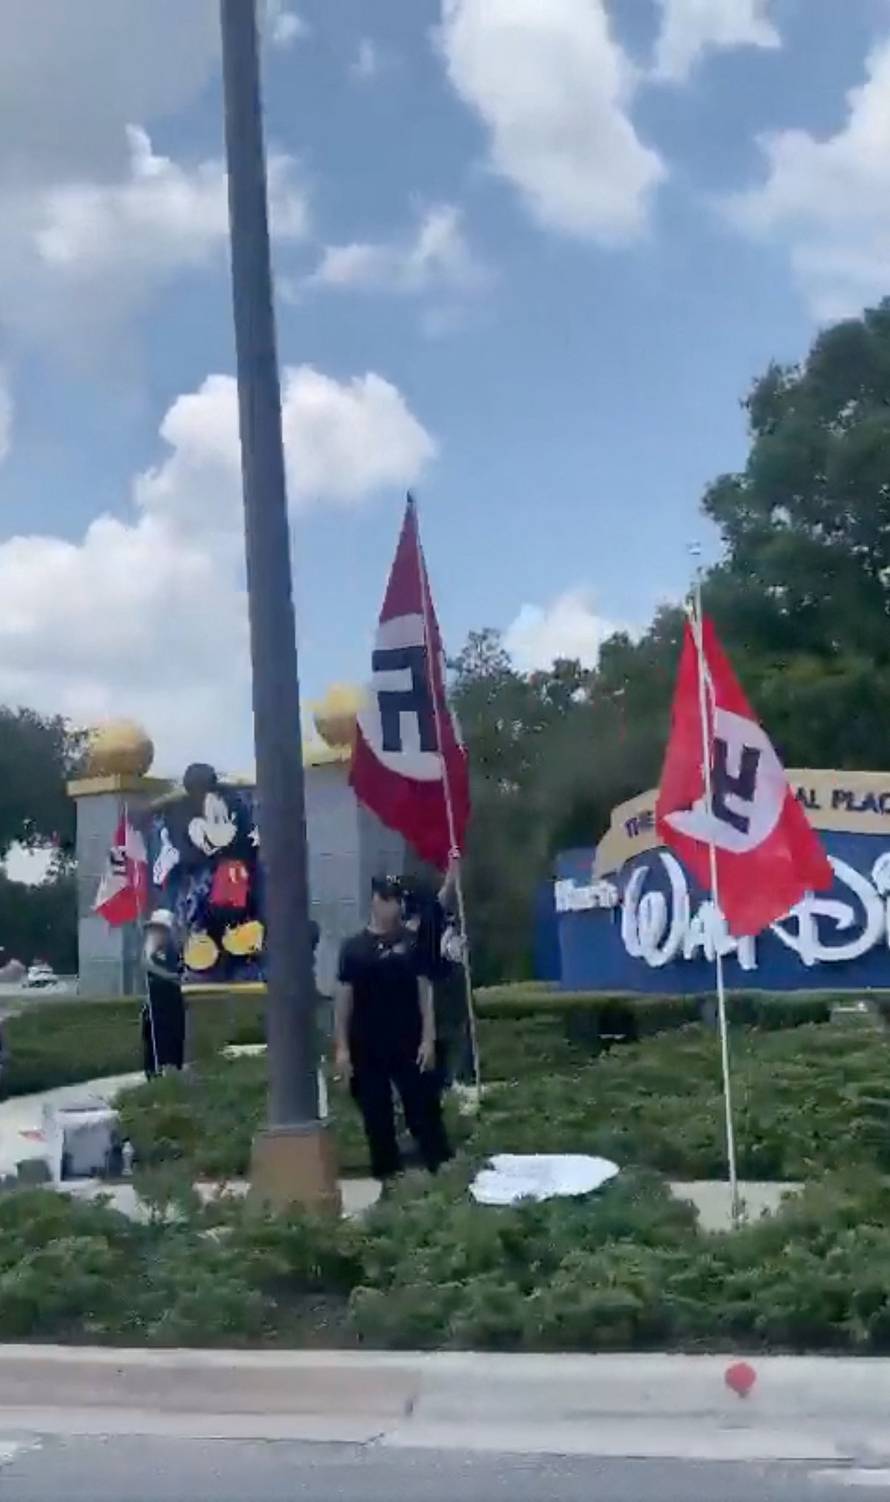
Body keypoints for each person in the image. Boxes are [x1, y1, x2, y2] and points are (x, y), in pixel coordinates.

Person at [335, 876, 452, 1183]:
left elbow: (425, 992)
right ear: (374, 901)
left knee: (423, 1109)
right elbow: (344, 1000)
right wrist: (342, 1048)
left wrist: (428, 1038)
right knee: (376, 1116)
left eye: (396, 900)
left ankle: (442, 1170)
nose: (392, 907)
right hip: (366, 1044)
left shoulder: (412, 943)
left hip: (408, 1040)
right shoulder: (354, 949)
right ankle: (388, 1180)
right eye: (386, 899)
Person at [402, 860, 473, 1088]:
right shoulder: (412, 937)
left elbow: (445, 893)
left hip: (451, 997)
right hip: (432, 1003)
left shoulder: (432, 915)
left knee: (457, 1040)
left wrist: (453, 869)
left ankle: (457, 1080)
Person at [142, 909, 185, 1079]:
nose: (157, 934)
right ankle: (153, 1073)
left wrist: (162, 973)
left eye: (160, 930)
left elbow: (177, 975)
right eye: (154, 930)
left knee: (171, 1041)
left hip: (171, 1005)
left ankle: (170, 1073)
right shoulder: (149, 952)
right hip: (154, 1006)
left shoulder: (173, 953)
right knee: (152, 1041)